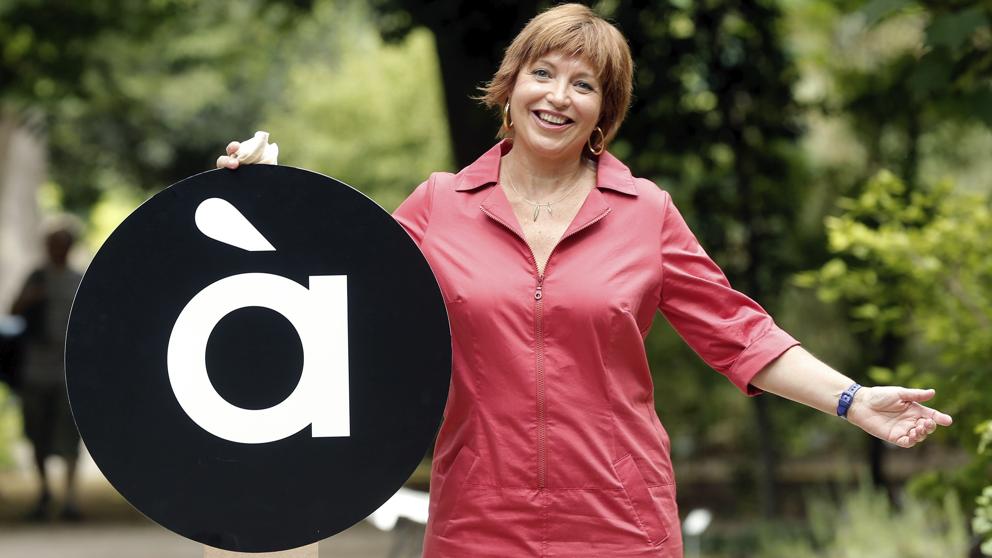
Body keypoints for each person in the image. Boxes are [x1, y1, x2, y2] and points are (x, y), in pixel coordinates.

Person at [218, 5, 953, 556]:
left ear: (604, 112)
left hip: (621, 524)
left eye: (584, 85)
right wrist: (267, 191)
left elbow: (742, 335)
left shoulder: (646, 212)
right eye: (542, 73)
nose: (558, 96)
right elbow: (339, 281)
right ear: (509, 87)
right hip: (479, 522)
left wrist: (854, 400)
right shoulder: (441, 203)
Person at [10, 224, 85, 521]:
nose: (56, 249)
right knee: (37, 432)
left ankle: (70, 498)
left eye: (61, 244)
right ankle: (44, 493)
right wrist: (31, 297)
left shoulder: (78, 280)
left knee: (70, 435)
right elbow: (12, 310)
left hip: (67, 370)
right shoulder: (36, 277)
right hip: (35, 369)